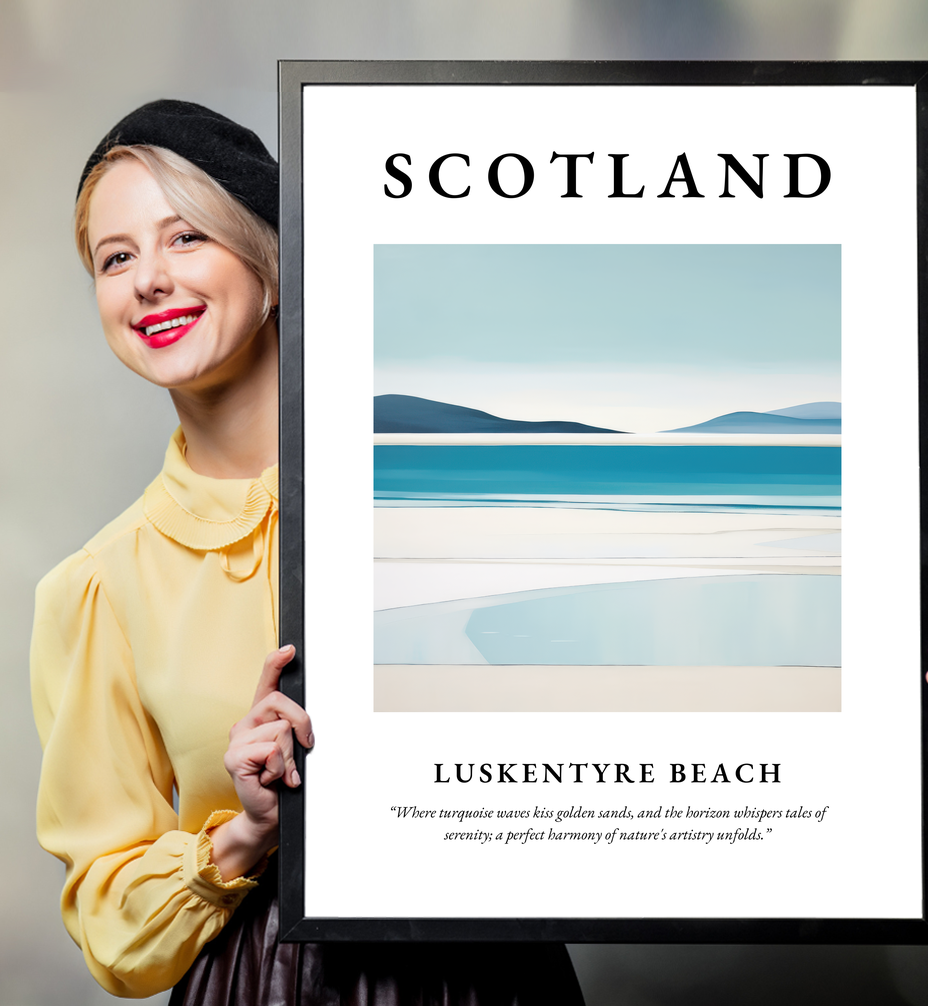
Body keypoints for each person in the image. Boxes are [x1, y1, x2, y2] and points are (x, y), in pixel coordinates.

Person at [30, 100, 585, 1004]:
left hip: (492, 972)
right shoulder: (98, 587)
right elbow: (110, 923)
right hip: (263, 982)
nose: (148, 281)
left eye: (186, 239)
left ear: (273, 264)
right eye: (116, 257)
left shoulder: (455, 490)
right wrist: (245, 832)